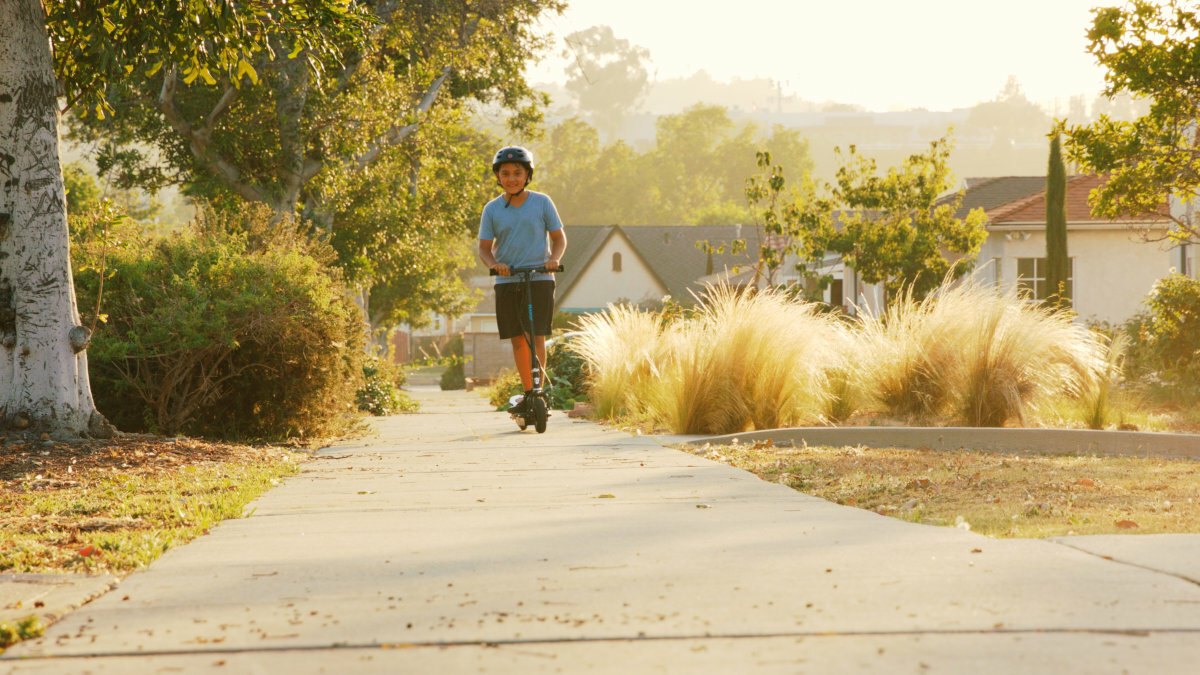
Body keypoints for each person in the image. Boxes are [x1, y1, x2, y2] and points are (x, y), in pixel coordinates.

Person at [477, 146, 567, 415]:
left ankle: (538, 391)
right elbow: (483, 248)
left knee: (536, 335)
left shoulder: (542, 202)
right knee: (518, 339)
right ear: (498, 177)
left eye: (518, 173)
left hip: (540, 276)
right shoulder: (492, 209)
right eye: (505, 173)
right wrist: (495, 265)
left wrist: (554, 258)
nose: (511, 178)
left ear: (528, 175)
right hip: (508, 280)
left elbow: (559, 238)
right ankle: (528, 392)